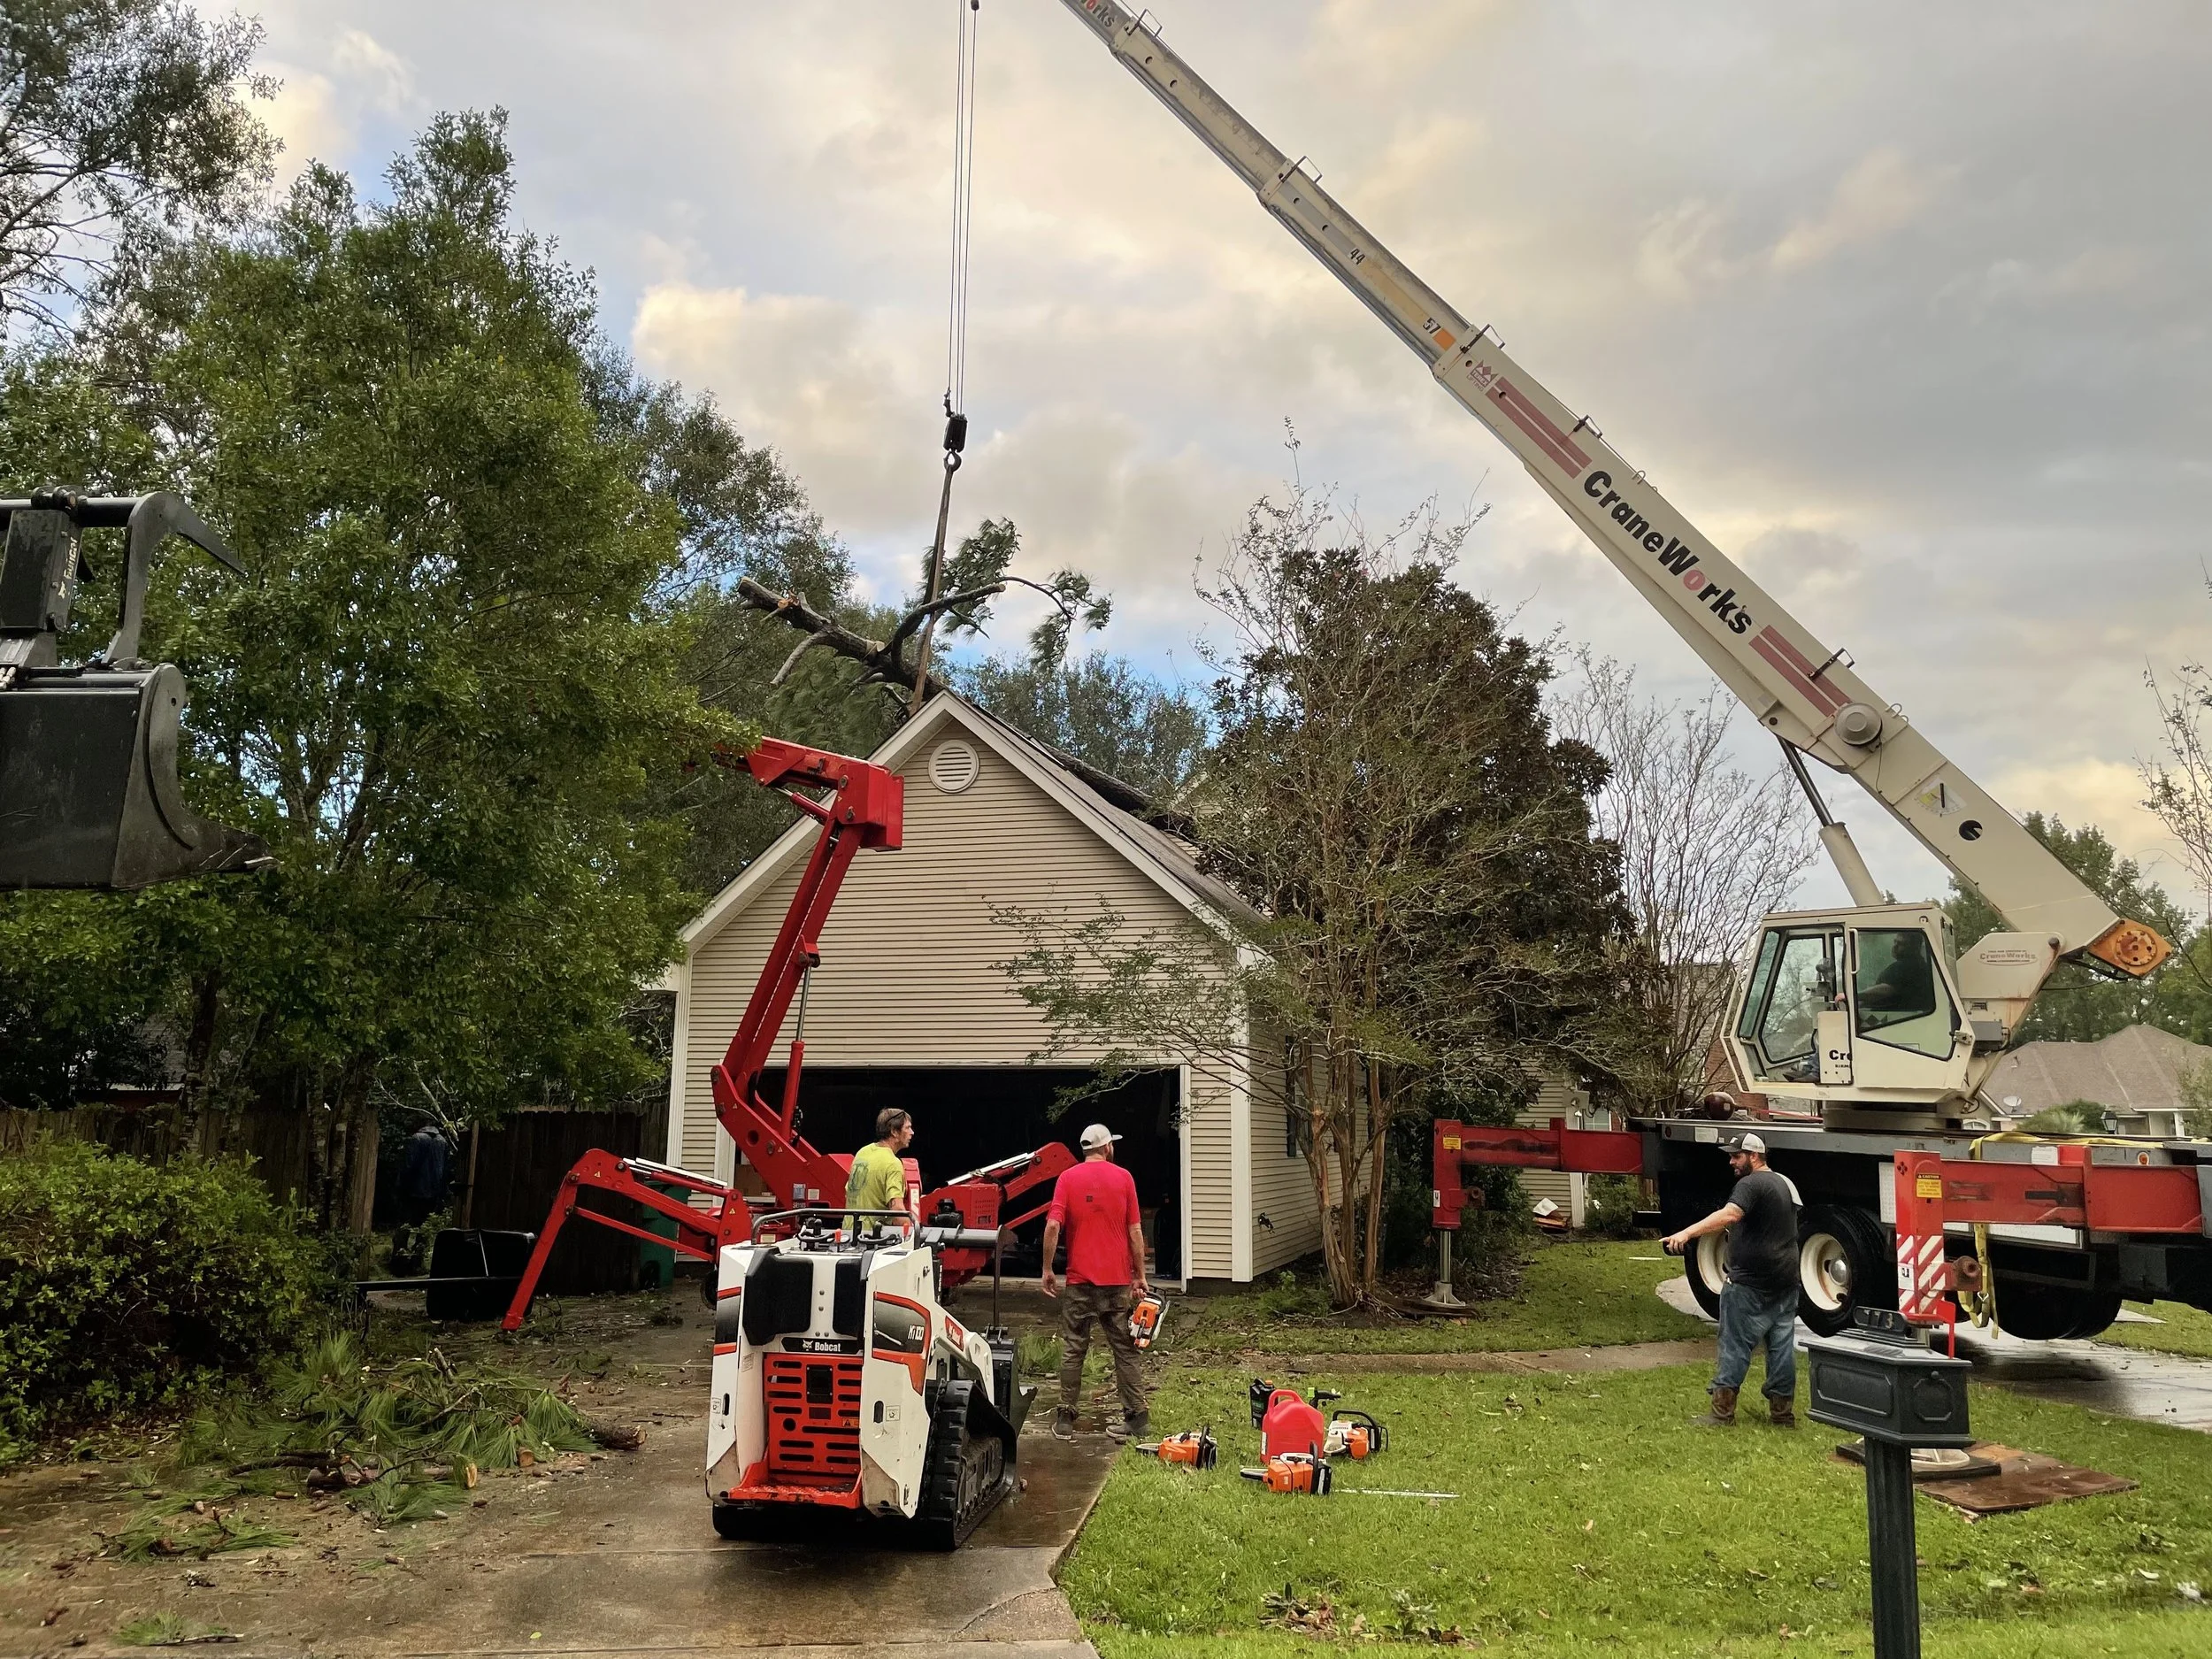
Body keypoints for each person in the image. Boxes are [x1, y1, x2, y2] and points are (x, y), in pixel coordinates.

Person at [1663, 1131, 1801, 1428]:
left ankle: (1722, 1413)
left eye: (1736, 1156)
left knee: (1734, 1344)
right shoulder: (1785, 1183)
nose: (1731, 1162)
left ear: (1754, 1156)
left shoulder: (1751, 1184)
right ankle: (1782, 1414)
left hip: (1749, 1284)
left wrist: (1686, 1233)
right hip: (1786, 1280)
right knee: (1781, 1346)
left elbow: (1729, 1215)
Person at [1041, 1123, 1149, 1442]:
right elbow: (1135, 1232)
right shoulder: (1124, 1178)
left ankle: (1065, 1418)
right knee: (1124, 1350)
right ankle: (1137, 1418)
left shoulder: (1067, 1179)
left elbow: (1052, 1226)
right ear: (1107, 1147)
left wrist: (1048, 1269)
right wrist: (1139, 1275)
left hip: (1079, 1282)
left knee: (1074, 1348)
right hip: (1116, 1283)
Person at [846, 1108, 914, 1223]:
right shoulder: (893, 1163)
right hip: (874, 1237)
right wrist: (914, 1233)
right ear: (894, 1131)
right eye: (907, 1128)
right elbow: (897, 1209)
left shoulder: (862, 1153)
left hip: (850, 1233)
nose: (912, 1132)